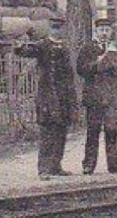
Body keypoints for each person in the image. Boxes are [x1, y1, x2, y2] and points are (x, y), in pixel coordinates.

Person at [14, 16, 76, 178]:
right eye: (54, 28)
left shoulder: (65, 48)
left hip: (63, 97)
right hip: (47, 97)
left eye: (60, 28)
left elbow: (69, 75)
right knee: (47, 133)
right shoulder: (43, 45)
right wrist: (19, 47)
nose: (57, 31)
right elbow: (28, 52)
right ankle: (43, 169)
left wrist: (71, 98)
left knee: (61, 133)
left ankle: (56, 166)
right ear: (50, 29)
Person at [78, 19, 117, 174]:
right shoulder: (87, 48)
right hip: (94, 97)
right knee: (93, 131)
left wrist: (113, 66)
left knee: (111, 131)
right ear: (96, 31)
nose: (104, 33)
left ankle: (114, 164)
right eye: (101, 30)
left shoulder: (116, 48)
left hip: (112, 96)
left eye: (107, 30)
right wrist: (98, 64)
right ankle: (89, 164)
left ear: (111, 32)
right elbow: (81, 70)